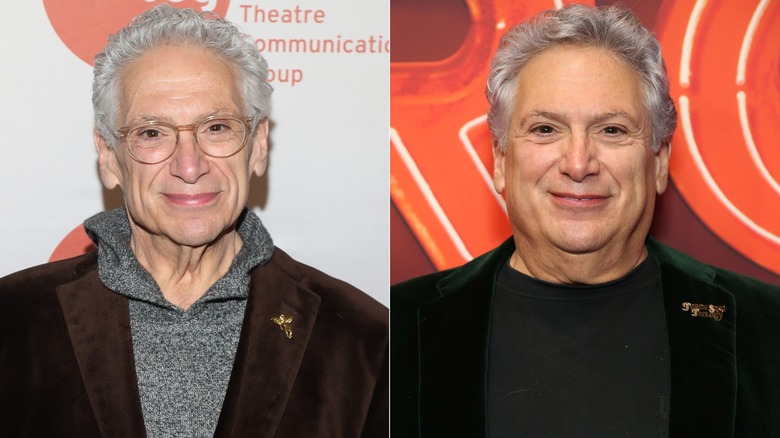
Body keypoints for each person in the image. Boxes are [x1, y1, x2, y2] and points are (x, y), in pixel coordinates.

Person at [391, 4, 780, 437]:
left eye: (612, 130)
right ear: (500, 159)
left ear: (659, 161)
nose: (578, 164)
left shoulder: (768, 330)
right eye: (545, 129)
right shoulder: (391, 332)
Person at [0, 6, 387, 437]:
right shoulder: (12, 321)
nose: (189, 166)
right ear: (109, 157)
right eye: (152, 133)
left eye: (216, 127)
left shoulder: (365, 341)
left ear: (258, 145)